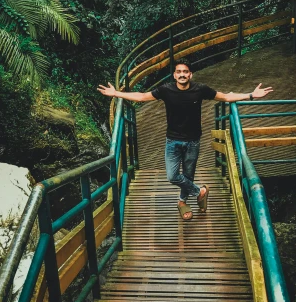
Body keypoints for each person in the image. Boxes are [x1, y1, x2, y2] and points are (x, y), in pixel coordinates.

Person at [98, 58, 273, 220]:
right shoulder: (166, 90)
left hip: (193, 141)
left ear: (190, 74)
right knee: (173, 175)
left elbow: (226, 96)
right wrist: (116, 94)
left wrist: (251, 95)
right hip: (172, 141)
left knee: (188, 175)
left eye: (185, 71)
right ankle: (201, 191)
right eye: (179, 72)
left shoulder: (200, 89)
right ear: (174, 75)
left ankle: (182, 202)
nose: (182, 74)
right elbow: (142, 96)